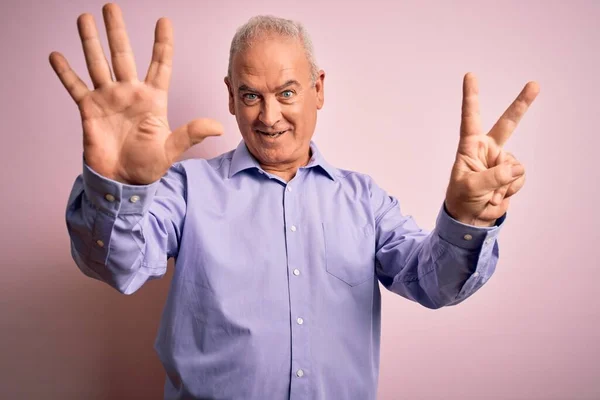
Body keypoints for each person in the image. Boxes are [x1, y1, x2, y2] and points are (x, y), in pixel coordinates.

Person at [51, 3, 539, 399]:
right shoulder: (185, 189)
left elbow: (432, 282)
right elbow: (118, 264)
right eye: (250, 96)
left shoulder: (364, 200)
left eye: (286, 92)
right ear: (230, 96)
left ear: (318, 89)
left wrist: (464, 221)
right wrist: (116, 186)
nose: (269, 116)